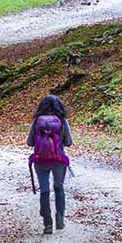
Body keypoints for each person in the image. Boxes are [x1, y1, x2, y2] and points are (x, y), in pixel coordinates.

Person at [27, 93, 73, 235]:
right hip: (58, 160)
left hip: (40, 160)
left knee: (45, 190)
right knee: (59, 187)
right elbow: (69, 142)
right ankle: (60, 217)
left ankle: (47, 223)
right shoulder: (62, 121)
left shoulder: (37, 121)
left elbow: (30, 142)